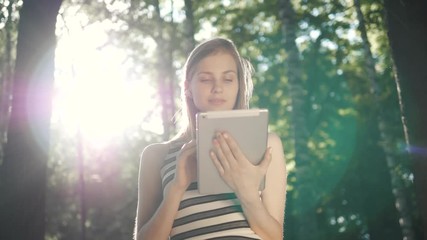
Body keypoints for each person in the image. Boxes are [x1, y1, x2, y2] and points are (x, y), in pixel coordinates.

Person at [134, 37, 287, 240]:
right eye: (206, 79)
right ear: (188, 86)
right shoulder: (156, 155)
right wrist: (177, 187)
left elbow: (275, 237)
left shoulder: (268, 145)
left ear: (239, 85)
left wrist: (246, 192)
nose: (218, 88)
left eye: (228, 79)